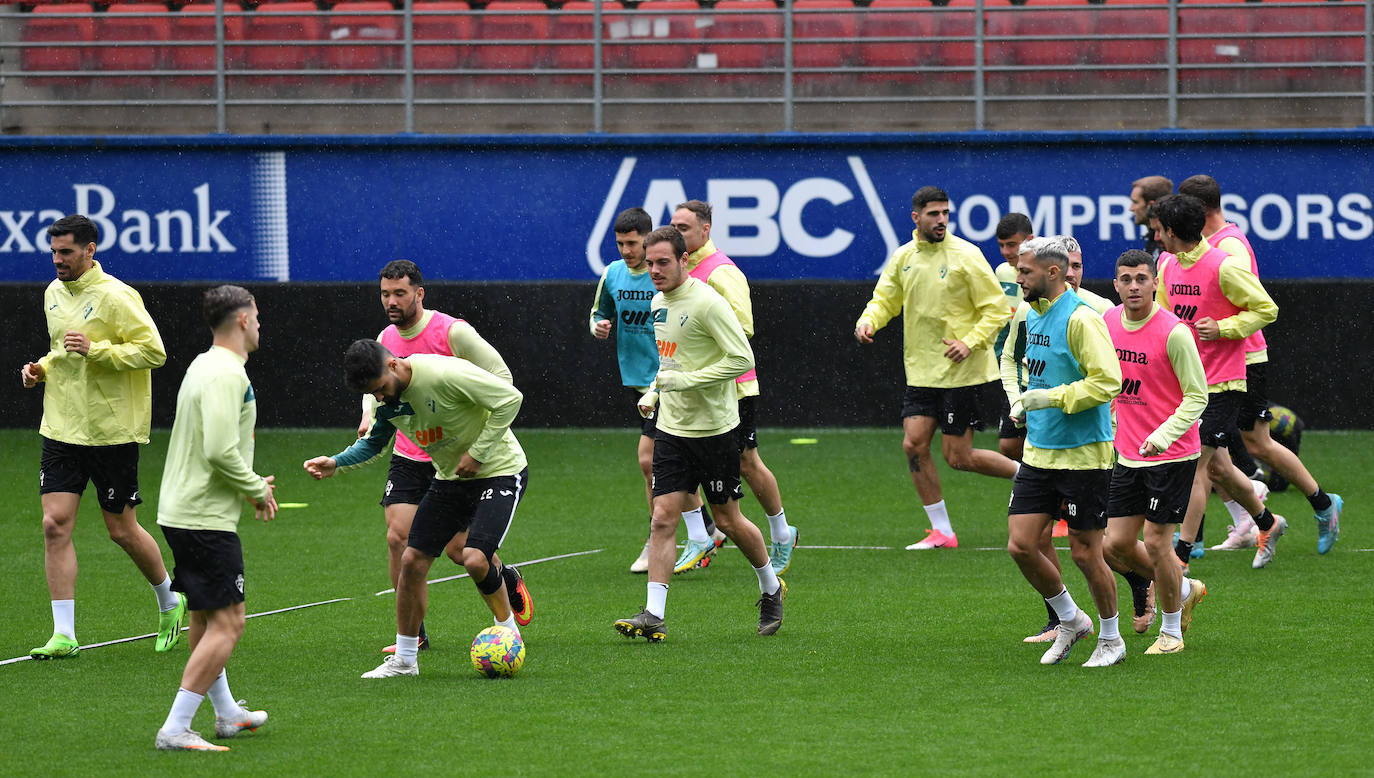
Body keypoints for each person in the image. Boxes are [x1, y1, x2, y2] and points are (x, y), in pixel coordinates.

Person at [305, 340, 530, 679]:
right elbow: (375, 443)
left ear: (393, 365)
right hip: (451, 478)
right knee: (411, 561)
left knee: (474, 557)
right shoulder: (388, 401)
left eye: (380, 389)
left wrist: (479, 452)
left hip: (499, 470)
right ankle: (405, 660)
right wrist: (336, 462)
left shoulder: (443, 374)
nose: (381, 398)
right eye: (374, 394)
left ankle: (509, 633)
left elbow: (510, 399)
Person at [20, 214, 185, 660]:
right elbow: (60, 351)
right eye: (53, 251)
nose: (58, 260)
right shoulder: (53, 293)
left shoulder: (117, 296)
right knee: (54, 525)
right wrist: (40, 369)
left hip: (111, 431)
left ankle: (170, 599)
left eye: (66, 252)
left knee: (121, 530)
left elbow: (154, 351)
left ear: (90, 250)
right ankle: (64, 634)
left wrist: (99, 350)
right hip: (60, 427)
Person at [614, 227, 785, 641]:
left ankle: (771, 587)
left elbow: (742, 358)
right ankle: (653, 614)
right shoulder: (657, 302)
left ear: (684, 260)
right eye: (649, 263)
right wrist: (655, 391)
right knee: (661, 519)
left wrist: (687, 382)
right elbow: (671, 363)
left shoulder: (708, 303)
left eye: (662, 263)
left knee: (728, 520)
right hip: (672, 429)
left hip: (715, 432)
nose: (653, 270)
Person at [358, 260, 530, 654]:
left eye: (399, 293)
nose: (391, 301)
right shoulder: (385, 336)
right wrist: (369, 415)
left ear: (419, 293)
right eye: (385, 294)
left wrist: (470, 425)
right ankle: (413, 635)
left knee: (461, 552)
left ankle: (503, 576)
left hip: (455, 456)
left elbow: (502, 381)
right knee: (398, 538)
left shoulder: (454, 332)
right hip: (409, 450)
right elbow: (374, 385)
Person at [1178, 175, 1342, 554]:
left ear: (1200, 211)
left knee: (1252, 443)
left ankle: (1316, 505)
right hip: (1215, 359)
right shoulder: (1202, 247)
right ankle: (1248, 522)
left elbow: (1255, 306)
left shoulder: (1228, 246)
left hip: (1240, 358)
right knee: (1216, 454)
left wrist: (1220, 327)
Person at [1001, 236, 1153, 643]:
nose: (1017, 278)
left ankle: (1111, 638)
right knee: (1021, 544)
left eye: (1024, 271)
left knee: (1089, 553)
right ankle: (1071, 619)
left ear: (1052, 272)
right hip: (1039, 451)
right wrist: (1022, 401)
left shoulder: (1085, 317)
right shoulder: (1030, 313)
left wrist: (1049, 397)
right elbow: (1026, 364)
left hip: (1084, 452)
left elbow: (1108, 382)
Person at [854, 186, 1017, 550]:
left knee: (958, 457)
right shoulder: (903, 257)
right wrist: (868, 322)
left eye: (945, 213)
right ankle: (942, 532)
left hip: (963, 372)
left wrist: (968, 342)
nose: (941, 219)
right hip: (922, 371)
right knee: (913, 444)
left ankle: (1030, 479)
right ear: (916, 218)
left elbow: (996, 308)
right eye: (933, 214)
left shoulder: (966, 255)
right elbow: (884, 300)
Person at [154, 285, 278, 752]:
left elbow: (217, 449)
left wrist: (244, 480)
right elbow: (219, 449)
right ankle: (175, 728)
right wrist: (254, 488)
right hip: (203, 518)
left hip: (183, 509)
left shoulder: (203, 364)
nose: (261, 325)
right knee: (229, 622)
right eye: (258, 317)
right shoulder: (228, 373)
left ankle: (227, 715)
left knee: (206, 620)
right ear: (244, 320)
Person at [1152, 194, 1286, 570]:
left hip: (1222, 384)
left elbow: (1267, 309)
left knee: (1195, 465)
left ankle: (1181, 556)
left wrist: (1224, 327)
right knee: (1220, 469)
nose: (1156, 236)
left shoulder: (1222, 266)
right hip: (1187, 382)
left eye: (1160, 229)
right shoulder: (1168, 265)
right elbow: (1164, 316)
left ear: (1172, 231)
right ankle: (1266, 521)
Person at [670, 200, 797, 575]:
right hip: (689, 390)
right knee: (676, 457)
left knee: (747, 462)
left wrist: (700, 363)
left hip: (732, 389)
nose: (677, 234)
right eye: (673, 226)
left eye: (685, 228)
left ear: (706, 230)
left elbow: (742, 331)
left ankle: (781, 532)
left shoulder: (721, 271)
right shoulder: (676, 269)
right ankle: (699, 535)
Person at [590, 208, 718, 574]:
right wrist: (597, 325)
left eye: (632, 243)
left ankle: (662, 538)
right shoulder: (613, 275)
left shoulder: (664, 278)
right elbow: (598, 312)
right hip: (636, 382)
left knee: (649, 460)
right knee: (671, 463)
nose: (626, 250)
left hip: (665, 382)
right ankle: (703, 529)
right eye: (620, 243)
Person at [1101, 251, 1210, 656]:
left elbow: (1198, 396)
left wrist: (1163, 435)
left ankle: (1172, 633)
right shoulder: (1108, 322)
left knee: (1158, 542)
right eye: (1125, 279)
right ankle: (1183, 588)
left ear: (1154, 284)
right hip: (1127, 453)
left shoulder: (1174, 332)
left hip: (1172, 455)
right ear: (1115, 285)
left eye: (1141, 279)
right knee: (1115, 544)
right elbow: (1110, 380)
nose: (1133, 286)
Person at [992, 213, 1033, 462]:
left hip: (1045, 368)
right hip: (1015, 369)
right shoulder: (1001, 273)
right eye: (1001, 245)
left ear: (1030, 240)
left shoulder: (1046, 271)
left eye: (1012, 244)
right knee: (1009, 445)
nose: (1006, 251)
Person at [1129, 175, 1173, 259]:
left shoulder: (1169, 243)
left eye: (1135, 202)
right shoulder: (1153, 239)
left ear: (1151, 205)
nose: (1131, 208)